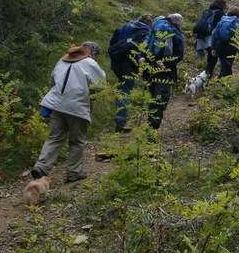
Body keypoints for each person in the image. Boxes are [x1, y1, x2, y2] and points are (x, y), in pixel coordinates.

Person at [31, 41, 105, 183]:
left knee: (54, 137)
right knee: (77, 141)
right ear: (93, 53)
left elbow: (52, 81)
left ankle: (41, 167)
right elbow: (101, 84)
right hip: (77, 107)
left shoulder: (62, 60)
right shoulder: (90, 63)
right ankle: (73, 172)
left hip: (56, 104)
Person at [108, 15, 153, 132]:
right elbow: (144, 49)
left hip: (116, 63)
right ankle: (120, 122)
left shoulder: (124, 27)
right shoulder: (145, 31)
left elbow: (112, 43)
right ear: (149, 23)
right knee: (125, 91)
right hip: (130, 64)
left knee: (122, 88)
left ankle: (119, 118)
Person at [146, 14, 185, 130]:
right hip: (165, 69)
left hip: (151, 67)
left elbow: (146, 45)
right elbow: (179, 54)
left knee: (154, 96)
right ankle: (152, 129)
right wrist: (165, 62)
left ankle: (150, 124)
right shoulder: (173, 32)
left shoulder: (157, 26)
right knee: (161, 98)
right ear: (177, 21)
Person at [193, 0, 227, 77]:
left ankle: (207, 74)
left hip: (202, 37)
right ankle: (207, 76)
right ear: (222, 5)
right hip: (212, 39)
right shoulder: (220, 14)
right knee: (212, 59)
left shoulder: (207, 11)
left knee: (210, 58)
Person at [211, 7, 239, 77]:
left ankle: (223, 82)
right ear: (238, 15)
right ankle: (221, 83)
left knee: (224, 65)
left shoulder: (222, 21)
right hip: (232, 47)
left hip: (220, 46)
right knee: (227, 66)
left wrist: (213, 47)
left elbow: (214, 34)